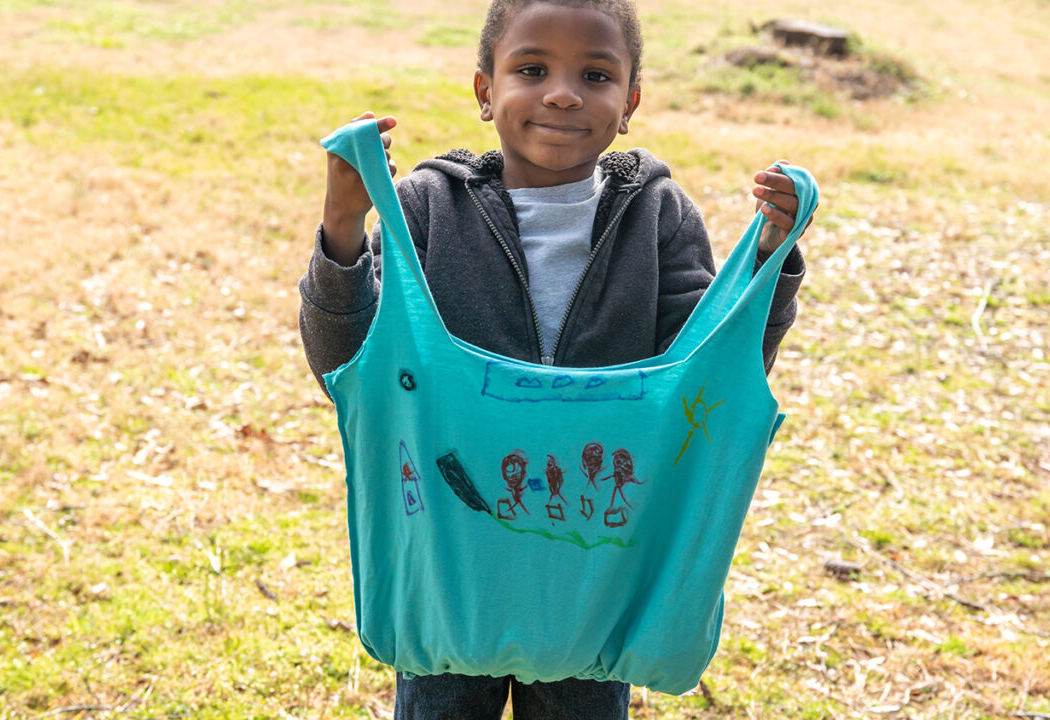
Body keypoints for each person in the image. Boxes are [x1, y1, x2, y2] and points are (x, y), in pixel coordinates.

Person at [298, 0, 813, 716]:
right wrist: (344, 224)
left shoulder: (660, 218)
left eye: (595, 74)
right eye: (532, 69)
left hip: (595, 573)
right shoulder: (421, 211)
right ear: (485, 90)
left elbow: (709, 382)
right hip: (451, 572)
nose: (564, 92)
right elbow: (348, 366)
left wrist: (765, 266)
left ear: (630, 101)